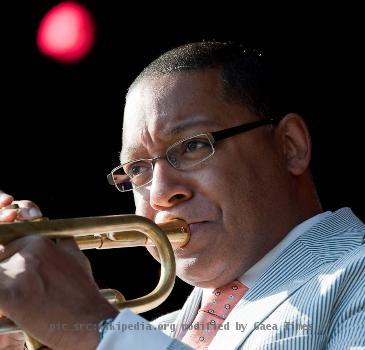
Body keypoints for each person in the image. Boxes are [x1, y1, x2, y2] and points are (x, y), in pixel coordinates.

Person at [0, 42, 364, 349]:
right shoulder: (159, 334)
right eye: (138, 169)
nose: (159, 193)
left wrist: (89, 325)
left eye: (191, 146)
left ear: (290, 146)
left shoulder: (355, 273)